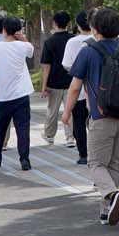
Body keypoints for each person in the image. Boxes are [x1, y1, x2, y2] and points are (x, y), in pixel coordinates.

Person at [64, 7, 119, 225]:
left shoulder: (88, 51)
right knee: (114, 163)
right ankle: (105, 210)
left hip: (101, 117)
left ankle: (112, 194)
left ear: (95, 29)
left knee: (95, 163)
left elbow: (74, 88)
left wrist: (66, 113)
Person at [0, 15, 35, 169]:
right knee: (23, 128)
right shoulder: (22, 46)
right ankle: (24, 159)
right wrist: (22, 37)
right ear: (17, 30)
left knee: (0, 128)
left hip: (3, 96)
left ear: (4, 30)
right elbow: (31, 50)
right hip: (21, 94)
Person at [60, 11, 94, 165]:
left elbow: (66, 64)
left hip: (78, 89)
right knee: (95, 123)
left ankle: (83, 154)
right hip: (96, 90)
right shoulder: (97, 39)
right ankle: (96, 152)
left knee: (79, 123)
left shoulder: (72, 42)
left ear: (78, 25)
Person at [40, 11, 76, 147]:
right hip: (71, 81)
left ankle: (49, 135)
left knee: (52, 110)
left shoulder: (49, 42)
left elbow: (46, 66)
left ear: (55, 23)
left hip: (54, 82)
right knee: (70, 109)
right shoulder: (72, 40)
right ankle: (70, 137)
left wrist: (44, 86)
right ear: (69, 23)